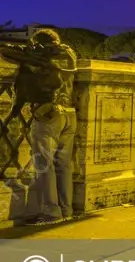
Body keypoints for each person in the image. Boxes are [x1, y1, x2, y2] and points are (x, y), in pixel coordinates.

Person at [0, 29, 77, 225]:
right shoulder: (68, 53)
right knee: (63, 165)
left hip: (48, 114)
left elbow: (8, 52)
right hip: (69, 113)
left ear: (39, 44)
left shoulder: (40, 56)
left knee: (44, 165)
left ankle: (51, 213)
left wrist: (29, 49)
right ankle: (66, 210)